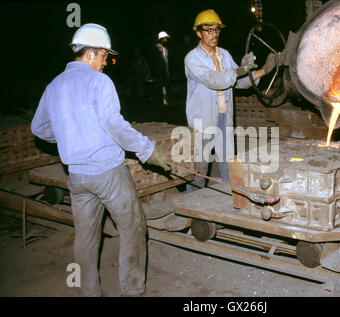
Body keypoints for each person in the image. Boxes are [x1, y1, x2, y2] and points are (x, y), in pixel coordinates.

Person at [31, 23, 170, 297]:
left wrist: (71, 136)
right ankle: (132, 291)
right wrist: (147, 150)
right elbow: (114, 125)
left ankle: (90, 293)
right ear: (91, 53)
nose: (107, 62)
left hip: (77, 177)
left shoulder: (55, 85)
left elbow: (38, 128)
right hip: (107, 173)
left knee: (85, 238)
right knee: (132, 227)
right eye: (105, 56)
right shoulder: (99, 82)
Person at [184, 9, 276, 191]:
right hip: (202, 121)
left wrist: (264, 70)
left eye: (217, 30)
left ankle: (229, 200)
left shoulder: (224, 55)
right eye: (208, 30)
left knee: (228, 163)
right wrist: (239, 70)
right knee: (198, 170)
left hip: (224, 118)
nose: (214, 34)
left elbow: (239, 82)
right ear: (198, 33)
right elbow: (213, 79)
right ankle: (192, 210)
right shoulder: (192, 58)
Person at [149, 31, 171, 106]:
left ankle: (166, 102)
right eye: (165, 38)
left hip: (166, 72)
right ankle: (158, 103)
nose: (166, 39)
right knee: (158, 88)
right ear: (161, 39)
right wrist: (155, 71)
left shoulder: (166, 49)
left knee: (166, 87)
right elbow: (152, 61)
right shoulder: (155, 49)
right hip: (159, 73)